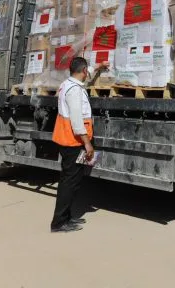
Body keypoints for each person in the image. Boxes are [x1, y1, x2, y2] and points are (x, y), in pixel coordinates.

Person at [50, 57, 108, 233]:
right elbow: (76, 121)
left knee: (71, 181)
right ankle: (59, 223)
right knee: (69, 182)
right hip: (74, 142)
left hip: (69, 140)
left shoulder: (67, 84)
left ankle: (66, 217)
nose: (87, 73)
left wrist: (98, 67)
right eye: (86, 71)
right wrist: (87, 144)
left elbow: (86, 74)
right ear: (83, 71)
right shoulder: (74, 90)